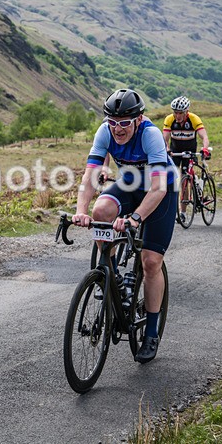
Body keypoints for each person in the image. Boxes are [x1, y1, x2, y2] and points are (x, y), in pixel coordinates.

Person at [73, 88, 177, 364]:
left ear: (138, 120)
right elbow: (91, 175)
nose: (117, 129)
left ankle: (151, 332)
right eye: (112, 122)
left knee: (151, 262)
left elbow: (157, 189)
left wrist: (135, 218)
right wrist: (81, 211)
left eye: (123, 123)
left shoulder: (151, 135)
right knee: (101, 210)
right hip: (130, 184)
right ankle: (112, 275)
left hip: (161, 191)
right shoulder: (105, 132)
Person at [162, 96, 211, 171]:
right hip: (175, 151)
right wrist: (167, 149)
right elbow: (164, 139)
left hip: (190, 151)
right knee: (173, 174)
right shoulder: (169, 119)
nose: (178, 116)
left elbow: (204, 137)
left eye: (181, 113)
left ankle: (191, 181)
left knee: (186, 172)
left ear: (186, 111)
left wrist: (205, 148)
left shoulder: (194, 119)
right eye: (175, 112)